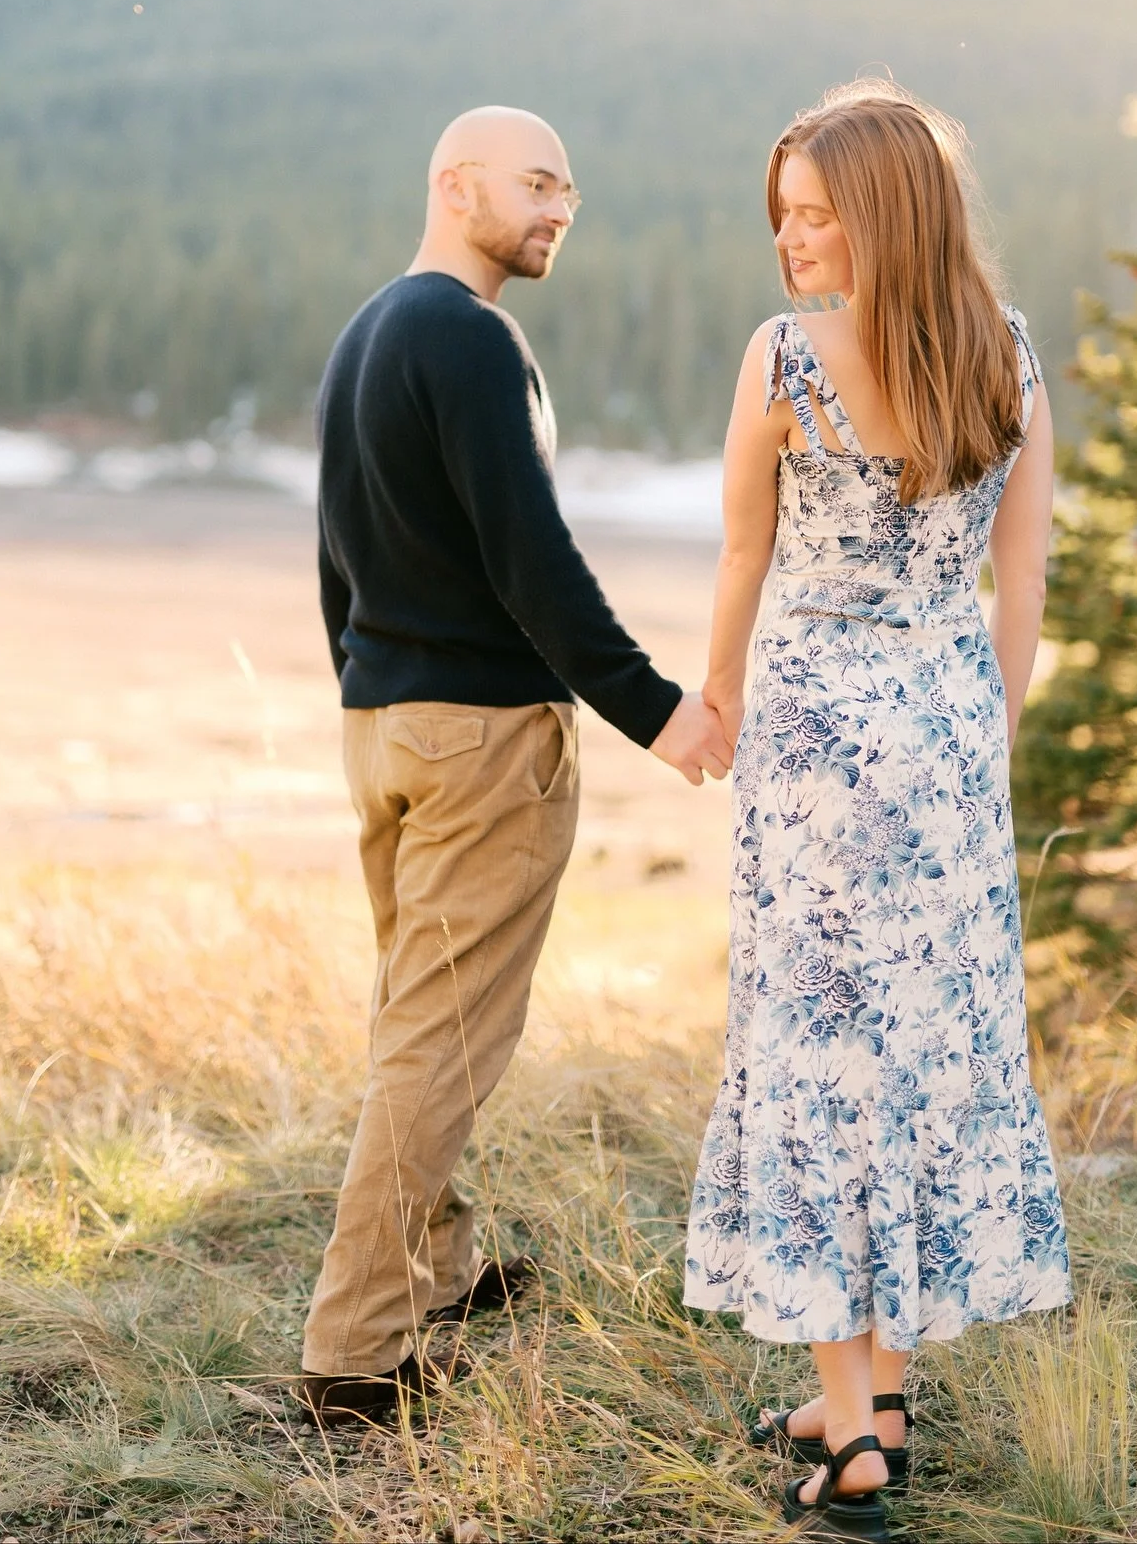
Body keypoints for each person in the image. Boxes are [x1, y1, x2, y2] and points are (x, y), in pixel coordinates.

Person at [300, 104, 732, 1425]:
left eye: (570, 192)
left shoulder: (366, 330)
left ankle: (432, 1264)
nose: (560, 208)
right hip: (481, 734)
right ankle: (358, 1347)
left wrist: (368, 690)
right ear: (456, 183)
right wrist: (658, 710)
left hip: (387, 722)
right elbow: (527, 557)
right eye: (536, 183)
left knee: (411, 1015)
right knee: (444, 1033)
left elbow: (335, 555)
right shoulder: (474, 338)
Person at [684, 81, 1071, 1534]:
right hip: (948, 732)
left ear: (884, 210)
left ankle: (854, 1440)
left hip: (814, 742)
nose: (790, 240)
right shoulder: (1009, 351)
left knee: (818, 1051)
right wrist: (994, 727)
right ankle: (881, 1385)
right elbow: (1018, 577)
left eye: (817, 211)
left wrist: (712, 697)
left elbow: (741, 551)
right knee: (922, 1047)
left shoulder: (788, 360)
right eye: (781, 214)